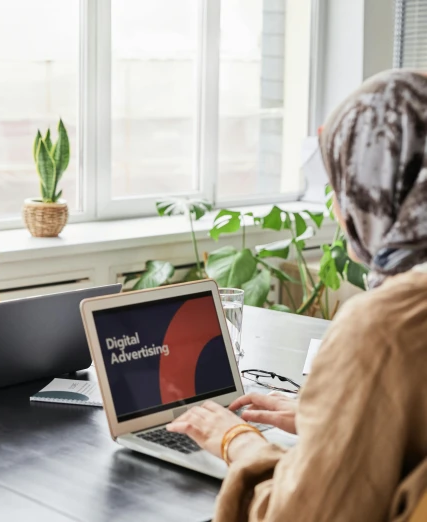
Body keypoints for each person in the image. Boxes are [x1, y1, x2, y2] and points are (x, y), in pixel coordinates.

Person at [167, 69, 427, 521]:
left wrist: (238, 442)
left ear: (374, 188)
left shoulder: (389, 325)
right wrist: (332, 419)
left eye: (340, 183)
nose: (336, 205)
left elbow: (303, 513)